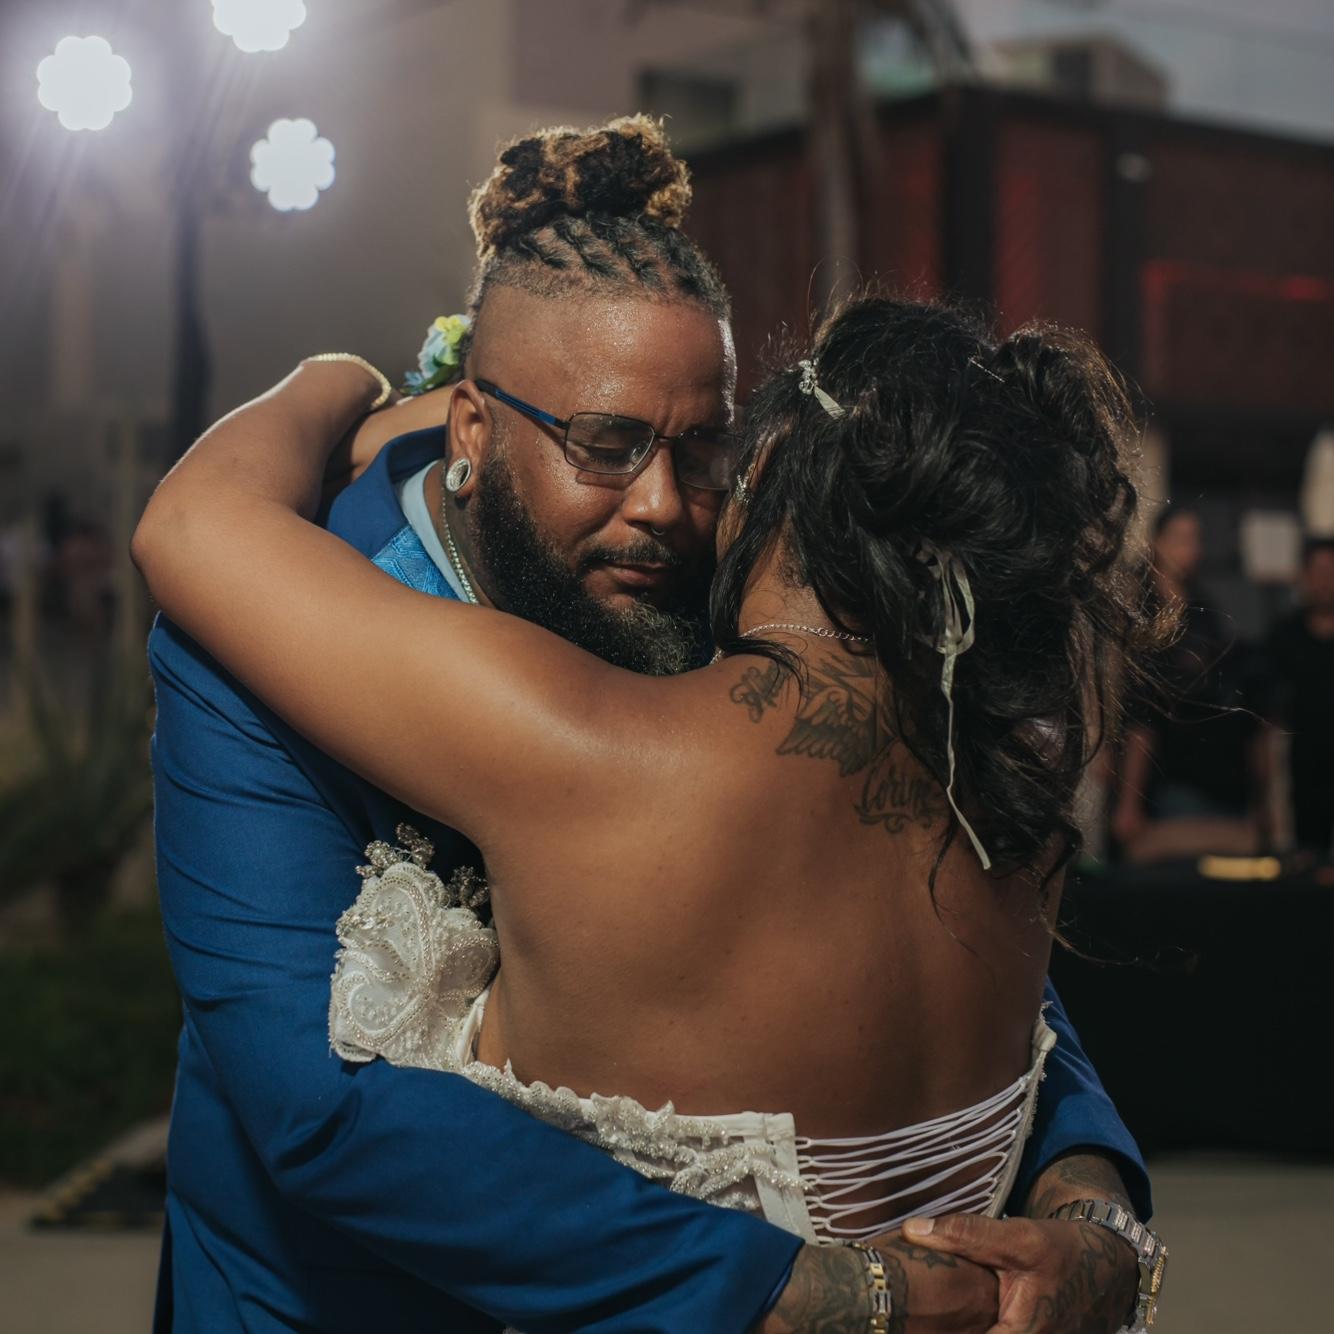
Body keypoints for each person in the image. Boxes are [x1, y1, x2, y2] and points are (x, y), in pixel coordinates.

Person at [139, 118, 1154, 1333]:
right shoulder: (252, 637)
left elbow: (935, 897)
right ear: (471, 429)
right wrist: (805, 1289)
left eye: (702, 446)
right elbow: (322, 1105)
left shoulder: (738, 601)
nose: (664, 505)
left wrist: (1089, 1194)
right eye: (605, 446)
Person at [1113, 505, 1262, 853]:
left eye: (1196, 540)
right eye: (1181, 539)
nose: (1191, 549)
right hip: (1164, 773)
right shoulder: (1137, 610)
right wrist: (1129, 799)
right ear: (1157, 543)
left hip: (1214, 769)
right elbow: (1139, 712)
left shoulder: (1204, 610)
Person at [1265, 537, 1334, 854]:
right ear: (1304, 576)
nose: (1325, 581)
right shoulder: (1284, 637)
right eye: (1318, 571)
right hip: (1301, 766)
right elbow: (1269, 709)